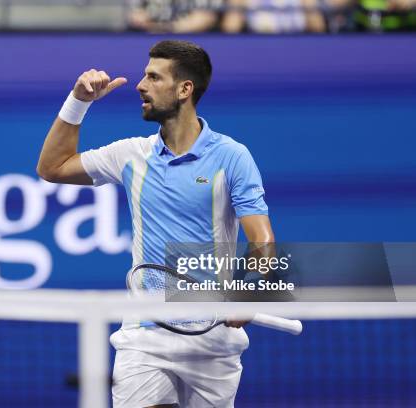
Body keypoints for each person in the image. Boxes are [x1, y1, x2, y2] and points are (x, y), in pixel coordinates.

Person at [37, 40, 274, 407]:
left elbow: (261, 239)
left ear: (184, 89)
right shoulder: (131, 154)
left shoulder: (232, 157)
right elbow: (52, 168)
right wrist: (78, 101)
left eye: (153, 77)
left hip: (213, 342)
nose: (140, 85)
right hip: (144, 333)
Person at [127, 0, 221, 33]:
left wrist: (158, 27)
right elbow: (137, 18)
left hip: (191, 45)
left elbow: (203, 20)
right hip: (148, 42)